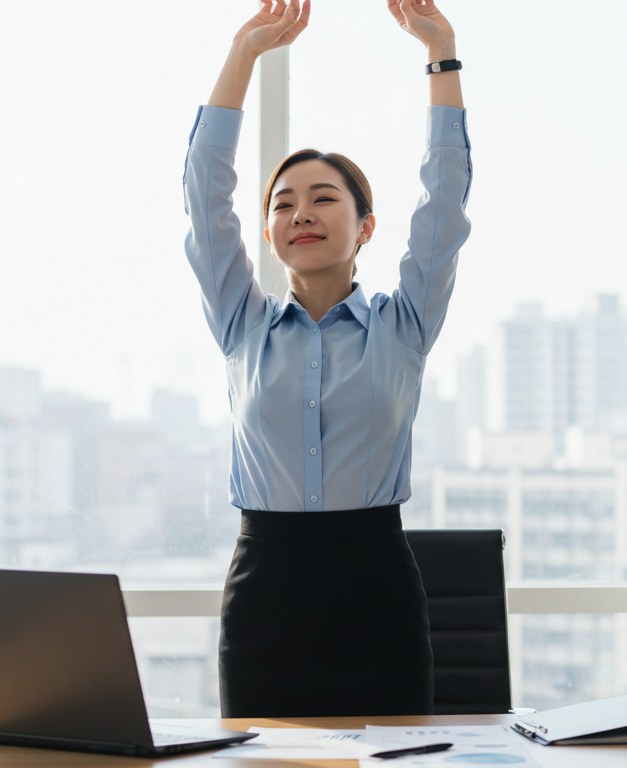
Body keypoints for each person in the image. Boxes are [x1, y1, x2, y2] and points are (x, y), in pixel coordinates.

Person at [181, 0, 471, 717]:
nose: (300, 213)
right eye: (283, 204)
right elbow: (204, 192)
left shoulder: (403, 326)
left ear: (365, 226)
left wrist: (441, 55)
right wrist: (243, 54)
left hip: (377, 596)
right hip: (264, 598)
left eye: (322, 199)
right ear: (269, 233)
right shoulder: (242, 324)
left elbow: (444, 200)